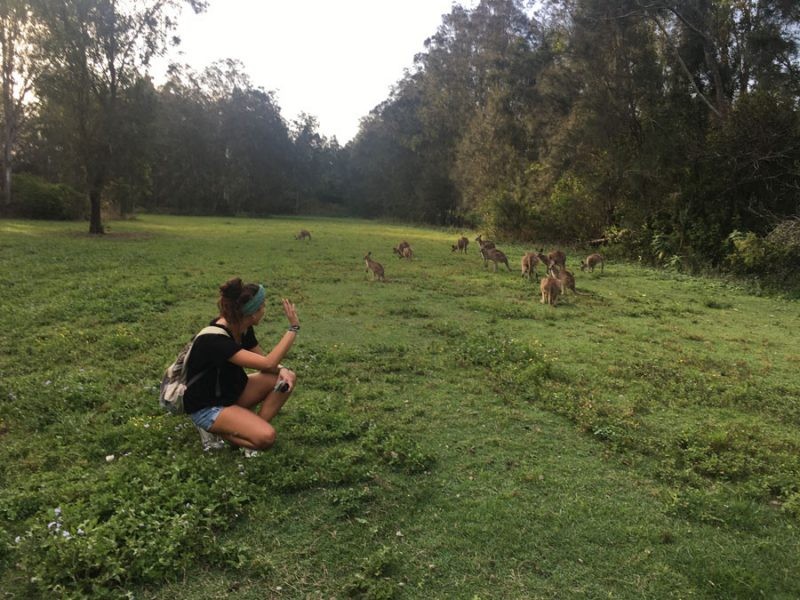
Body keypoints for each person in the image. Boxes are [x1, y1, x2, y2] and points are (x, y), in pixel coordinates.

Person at [184, 277, 300, 454]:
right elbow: (268, 362)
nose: (264, 311)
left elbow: (266, 365)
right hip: (208, 406)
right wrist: (293, 328)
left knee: (283, 378)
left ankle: (248, 431)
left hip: (230, 392)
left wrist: (284, 370)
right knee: (266, 437)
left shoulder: (242, 328)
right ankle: (221, 431)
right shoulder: (215, 340)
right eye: (262, 307)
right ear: (252, 313)